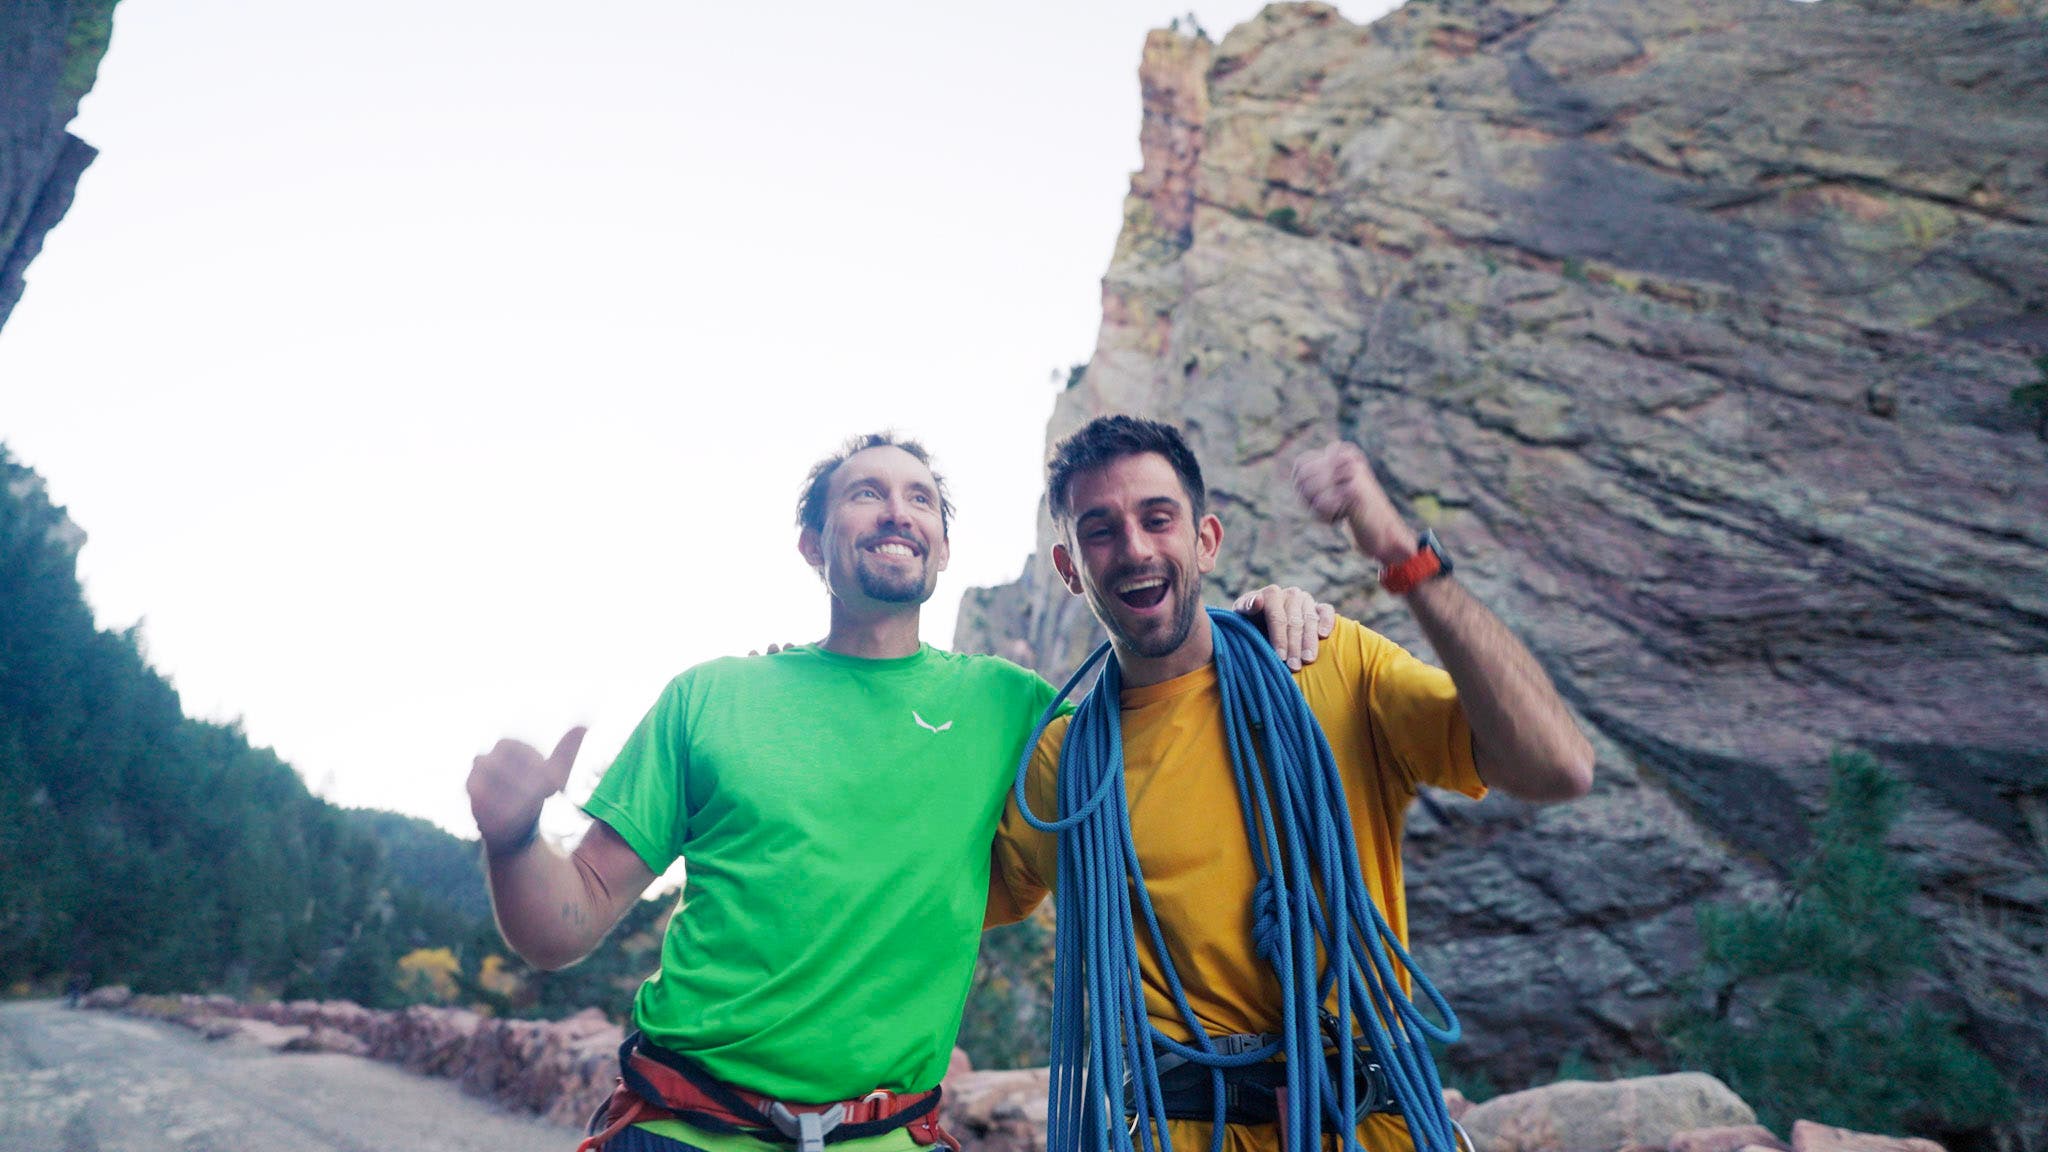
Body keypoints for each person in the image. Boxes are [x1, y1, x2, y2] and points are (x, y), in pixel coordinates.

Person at [466, 432, 1335, 1152]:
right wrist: (511, 842)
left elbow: (1164, 695)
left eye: (921, 498)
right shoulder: (712, 697)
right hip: (680, 1128)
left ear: (944, 547)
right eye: (865, 493)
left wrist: (1254, 620)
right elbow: (562, 927)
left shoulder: (1017, 710)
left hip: (891, 1136)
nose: (896, 511)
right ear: (814, 545)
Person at [990, 415, 1594, 1152]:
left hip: (1373, 1122)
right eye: (1101, 531)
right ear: (1069, 567)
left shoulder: (1325, 664)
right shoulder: (1061, 765)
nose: (1136, 549)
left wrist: (1405, 558)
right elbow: (935, 909)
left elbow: (1558, 765)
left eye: (1158, 519)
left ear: (1205, 539)